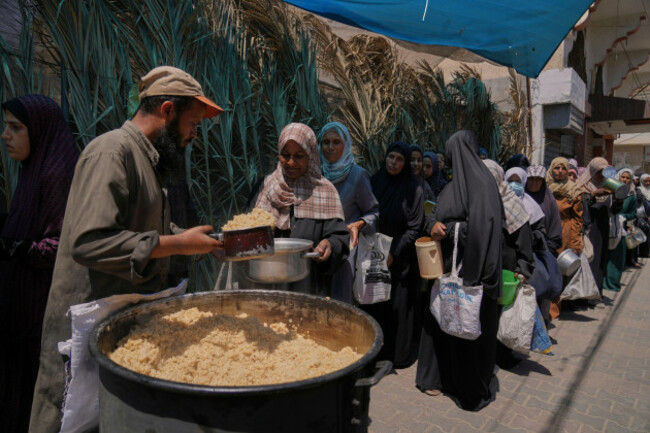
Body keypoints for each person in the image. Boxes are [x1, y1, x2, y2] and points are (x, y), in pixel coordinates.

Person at [30, 66, 225, 432]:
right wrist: (179, 243)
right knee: (63, 419)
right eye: (193, 124)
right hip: (85, 324)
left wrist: (195, 243)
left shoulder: (148, 159)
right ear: (167, 110)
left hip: (115, 323)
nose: (194, 135)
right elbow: (90, 242)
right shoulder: (111, 152)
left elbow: (148, 232)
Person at [0, 95, 79, 432]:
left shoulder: (56, 173)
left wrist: (18, 248)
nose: (6, 135)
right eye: (6, 126)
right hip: (21, 301)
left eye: (16, 128)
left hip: (41, 305)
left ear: (40, 131)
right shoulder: (32, 168)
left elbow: (61, 244)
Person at [416, 131, 502, 411]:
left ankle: (469, 390)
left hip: (473, 271)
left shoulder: (482, 185)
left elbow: (483, 231)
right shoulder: (452, 186)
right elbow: (437, 213)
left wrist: (450, 228)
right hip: (448, 269)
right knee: (443, 322)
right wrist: (432, 224)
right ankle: (441, 380)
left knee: (469, 329)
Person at [252, 122, 350, 296]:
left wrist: (330, 245)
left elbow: (339, 238)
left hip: (309, 288)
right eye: (285, 155)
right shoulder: (264, 187)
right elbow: (247, 229)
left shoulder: (325, 191)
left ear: (311, 155)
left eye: (299, 156)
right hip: (266, 288)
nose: (291, 162)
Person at [365, 141, 423, 368]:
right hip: (374, 252)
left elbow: (414, 226)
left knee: (398, 306)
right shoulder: (375, 181)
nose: (393, 162)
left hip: (400, 258)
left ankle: (397, 356)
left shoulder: (413, 188)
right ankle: (375, 351)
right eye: (391, 157)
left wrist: (394, 253)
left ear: (405, 163)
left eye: (399, 159)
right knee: (375, 303)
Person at [317, 121, 378, 303]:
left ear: (346, 145)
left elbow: (373, 212)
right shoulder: (315, 174)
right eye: (325, 142)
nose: (330, 147)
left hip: (344, 251)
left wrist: (359, 224)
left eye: (336, 142)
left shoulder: (358, 175)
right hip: (318, 248)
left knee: (340, 302)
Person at [576, 157, 612, 294]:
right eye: (598, 172)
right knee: (587, 261)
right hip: (587, 230)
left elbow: (613, 210)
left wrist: (619, 200)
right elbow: (578, 204)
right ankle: (584, 295)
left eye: (604, 172)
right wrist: (593, 195)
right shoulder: (582, 186)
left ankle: (595, 292)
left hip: (602, 230)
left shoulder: (609, 186)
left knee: (599, 261)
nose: (601, 175)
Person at [526, 164, 563, 254]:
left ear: (542, 181)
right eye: (531, 179)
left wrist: (547, 248)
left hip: (544, 250)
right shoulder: (520, 197)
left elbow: (555, 227)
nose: (534, 182)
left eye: (538, 179)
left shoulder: (548, 200)